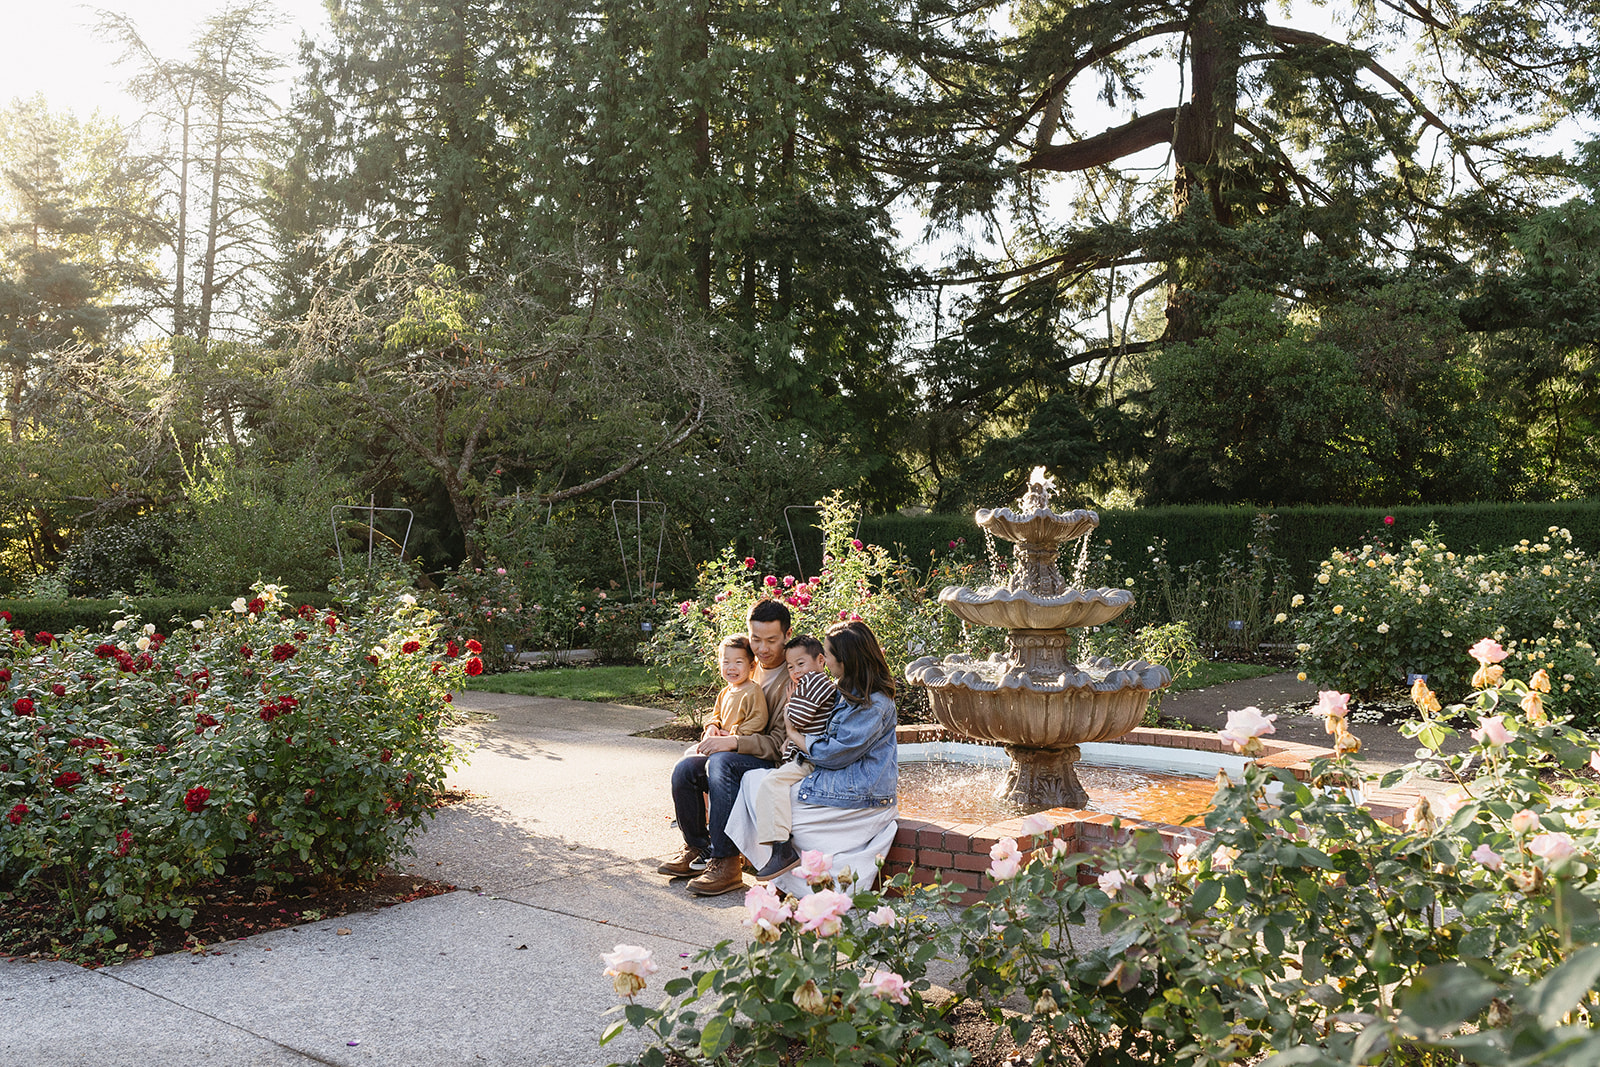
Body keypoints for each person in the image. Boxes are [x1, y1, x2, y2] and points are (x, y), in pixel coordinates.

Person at [725, 620, 898, 896]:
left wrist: (792, 733)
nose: (824, 661)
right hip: (834, 776)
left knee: (763, 788)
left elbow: (833, 754)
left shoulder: (873, 704)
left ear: (846, 660)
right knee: (756, 783)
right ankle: (782, 869)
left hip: (860, 793)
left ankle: (790, 871)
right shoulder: (845, 689)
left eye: (828, 655)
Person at [657, 599, 793, 896]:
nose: (763, 648)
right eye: (756, 639)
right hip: (737, 753)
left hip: (768, 761)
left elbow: (778, 745)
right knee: (685, 769)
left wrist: (732, 742)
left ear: (787, 635)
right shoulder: (746, 666)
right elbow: (723, 708)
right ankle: (697, 848)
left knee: (720, 764)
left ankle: (727, 861)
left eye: (772, 640)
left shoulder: (791, 678)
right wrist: (714, 729)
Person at [747, 635, 840, 879]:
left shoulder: (816, 681)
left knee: (771, 782)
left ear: (821, 661)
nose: (796, 671)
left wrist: (789, 704)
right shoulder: (810, 683)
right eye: (790, 667)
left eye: (801, 664)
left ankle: (782, 848)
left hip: (811, 759)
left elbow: (797, 718)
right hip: (805, 754)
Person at [700, 635, 768, 742]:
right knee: (690, 756)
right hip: (722, 741)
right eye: (726, 662)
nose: (731, 667)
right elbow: (716, 716)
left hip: (742, 745)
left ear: (752, 666)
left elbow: (758, 720)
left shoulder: (753, 691)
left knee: (716, 758)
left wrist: (735, 733)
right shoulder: (725, 692)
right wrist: (712, 726)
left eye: (738, 662)